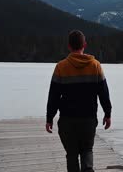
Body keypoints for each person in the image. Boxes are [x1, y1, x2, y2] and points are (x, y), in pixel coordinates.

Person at [46, 30, 112, 172]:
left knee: (71, 154)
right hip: (88, 119)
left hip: (67, 121)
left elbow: (54, 96)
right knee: (87, 150)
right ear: (85, 45)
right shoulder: (95, 65)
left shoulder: (61, 67)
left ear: (69, 46)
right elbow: (104, 94)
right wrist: (108, 113)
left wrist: (49, 117)